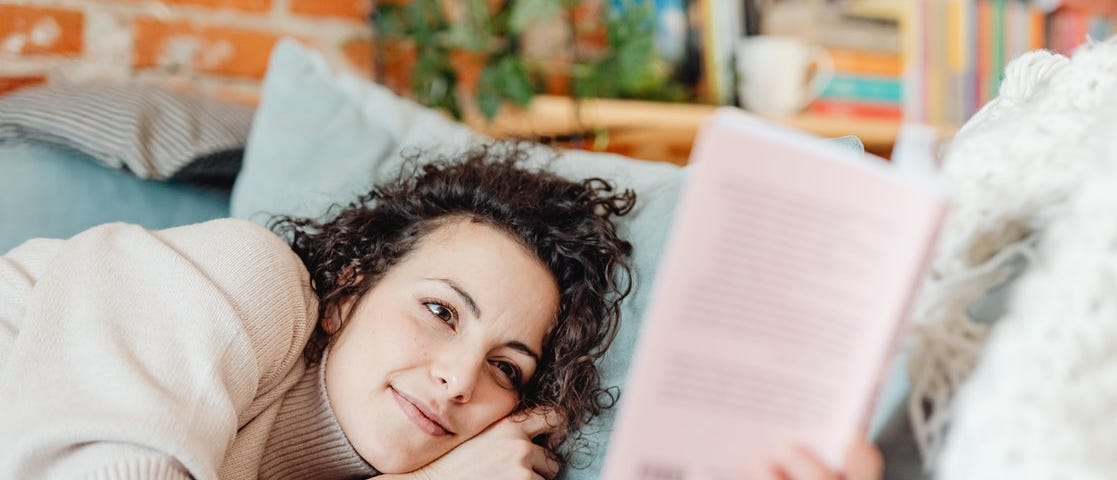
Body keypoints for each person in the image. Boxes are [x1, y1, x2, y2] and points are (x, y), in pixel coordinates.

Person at [0, 142, 883, 479]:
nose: (461, 378)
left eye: (509, 367)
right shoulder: (247, 279)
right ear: (347, 289)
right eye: (439, 310)